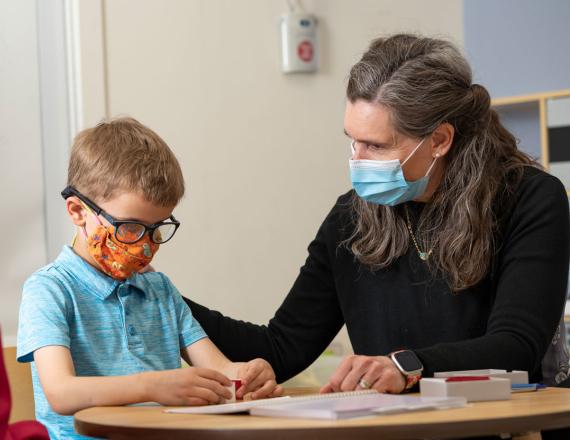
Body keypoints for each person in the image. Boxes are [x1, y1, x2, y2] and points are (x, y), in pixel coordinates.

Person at [185, 34, 570, 398]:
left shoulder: (530, 200)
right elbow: (282, 347)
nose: (357, 160)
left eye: (376, 145)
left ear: (439, 140)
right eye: (353, 140)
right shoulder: (350, 218)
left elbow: (515, 347)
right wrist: (165, 301)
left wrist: (407, 367)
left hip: (504, 426)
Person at [17, 118, 282, 439]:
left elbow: (221, 370)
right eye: (130, 227)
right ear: (77, 211)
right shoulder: (49, 290)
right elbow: (61, 393)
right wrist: (153, 385)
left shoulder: (160, 291)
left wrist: (249, 374)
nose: (145, 245)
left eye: (157, 229)